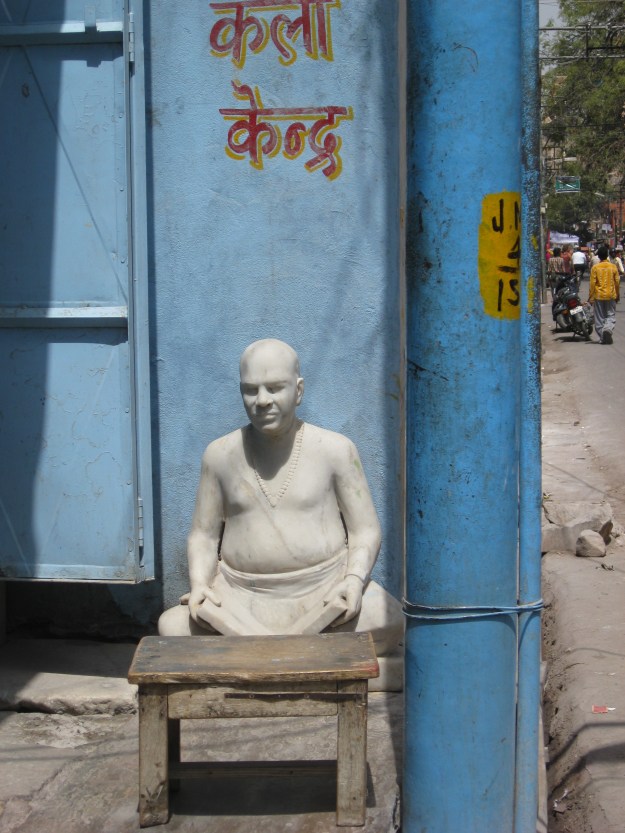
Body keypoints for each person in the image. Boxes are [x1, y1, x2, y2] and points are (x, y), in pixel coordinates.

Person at [158, 338, 403, 683]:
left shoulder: (335, 450)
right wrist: (200, 584)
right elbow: (203, 534)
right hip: (240, 599)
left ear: (298, 390)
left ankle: (260, 663)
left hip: (324, 596)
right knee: (171, 626)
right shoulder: (219, 455)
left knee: (388, 616)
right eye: (250, 390)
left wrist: (352, 579)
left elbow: (364, 530)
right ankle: (309, 663)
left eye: (275, 388)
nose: (262, 401)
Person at [589, 245, 620, 344]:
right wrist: (617, 294)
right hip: (611, 295)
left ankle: (602, 337)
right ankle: (608, 328)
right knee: (610, 315)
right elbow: (617, 282)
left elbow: (592, 284)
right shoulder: (613, 267)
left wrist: (591, 297)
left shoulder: (595, 268)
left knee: (599, 317)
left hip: (599, 295)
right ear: (607, 256)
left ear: (599, 257)